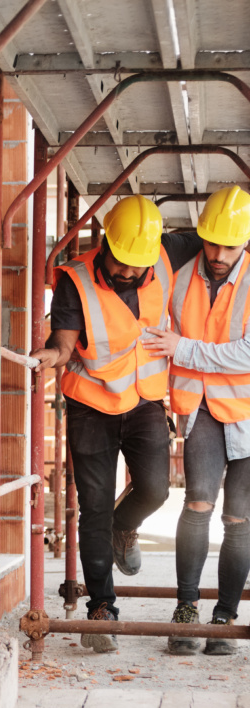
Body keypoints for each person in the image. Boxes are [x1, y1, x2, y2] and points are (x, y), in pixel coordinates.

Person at [31, 195, 201, 653]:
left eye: (138, 265)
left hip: (145, 400)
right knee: (94, 509)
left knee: (156, 489)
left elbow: (222, 241)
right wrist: (53, 355)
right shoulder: (76, 280)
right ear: (106, 242)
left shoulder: (165, 251)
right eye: (123, 262)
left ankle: (125, 527)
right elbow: (65, 342)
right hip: (91, 404)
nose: (131, 272)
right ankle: (101, 609)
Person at [142, 185, 250, 656]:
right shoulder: (181, 272)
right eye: (212, 243)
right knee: (199, 505)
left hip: (248, 411)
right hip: (202, 404)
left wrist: (183, 349)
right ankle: (186, 609)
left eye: (230, 245)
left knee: (239, 518)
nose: (219, 254)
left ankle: (224, 616)